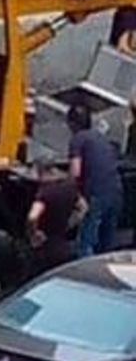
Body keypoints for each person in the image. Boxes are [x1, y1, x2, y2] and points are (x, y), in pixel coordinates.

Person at [68, 104, 123, 255]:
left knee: (85, 243)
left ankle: (84, 275)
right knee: (106, 245)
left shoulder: (78, 139)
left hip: (96, 194)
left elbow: (75, 171)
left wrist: (69, 192)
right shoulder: (101, 137)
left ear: (72, 124)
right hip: (116, 192)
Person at [27, 156, 84, 277]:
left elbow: (32, 216)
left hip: (46, 248)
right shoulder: (69, 185)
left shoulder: (44, 193)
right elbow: (83, 208)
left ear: (40, 171)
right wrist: (70, 223)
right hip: (63, 244)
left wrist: (34, 233)